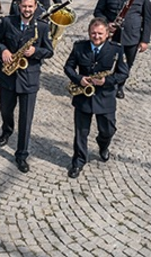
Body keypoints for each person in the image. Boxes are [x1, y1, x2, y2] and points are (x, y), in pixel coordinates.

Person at [0, 0, 54, 173]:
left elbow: (49, 51)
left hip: (29, 79)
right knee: (5, 109)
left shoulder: (42, 27)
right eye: (24, 6)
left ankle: (21, 154)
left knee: (26, 119)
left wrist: (35, 51)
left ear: (35, 7)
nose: (27, 9)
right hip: (8, 77)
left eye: (30, 6)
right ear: (18, 5)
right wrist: (3, 50)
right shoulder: (7, 22)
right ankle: (7, 130)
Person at [64, 17, 129, 179]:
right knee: (81, 133)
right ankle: (78, 161)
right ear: (88, 33)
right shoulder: (79, 47)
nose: (96, 36)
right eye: (93, 33)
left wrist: (106, 81)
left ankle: (103, 144)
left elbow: (123, 73)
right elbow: (68, 67)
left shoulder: (117, 50)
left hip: (105, 97)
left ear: (107, 34)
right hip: (83, 97)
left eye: (100, 33)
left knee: (108, 130)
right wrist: (79, 79)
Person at [93, 0, 151, 99]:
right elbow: (98, 11)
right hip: (112, 36)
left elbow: (147, 18)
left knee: (126, 64)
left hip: (132, 36)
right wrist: (107, 24)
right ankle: (104, 84)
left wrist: (144, 40)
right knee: (106, 61)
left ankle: (119, 86)